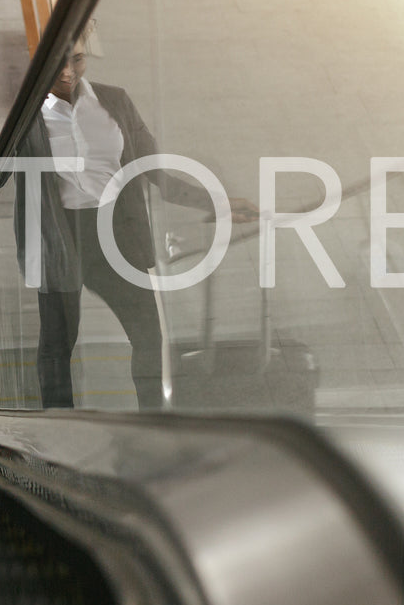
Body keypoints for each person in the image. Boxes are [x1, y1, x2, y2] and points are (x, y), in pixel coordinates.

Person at [14, 27, 256, 409]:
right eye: (57, 61)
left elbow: (156, 171)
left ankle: (153, 422)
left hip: (119, 234)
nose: (67, 71)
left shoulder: (114, 101)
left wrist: (218, 202)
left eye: (76, 59)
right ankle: (59, 427)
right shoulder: (27, 113)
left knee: (149, 337)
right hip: (62, 238)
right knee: (57, 344)